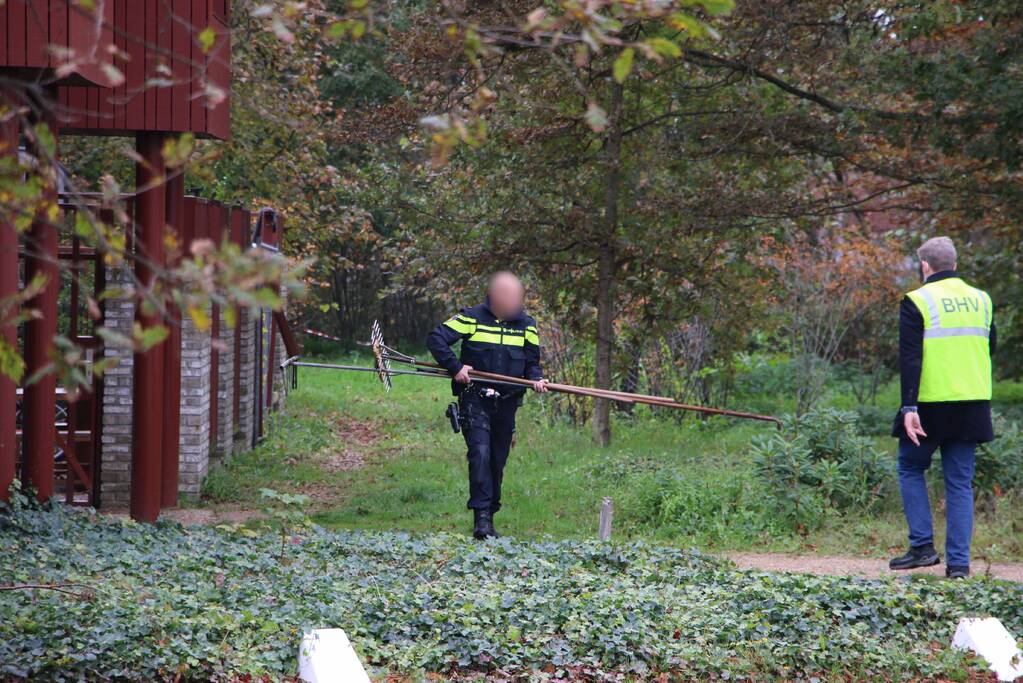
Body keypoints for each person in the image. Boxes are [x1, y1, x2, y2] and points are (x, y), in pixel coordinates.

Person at [889, 236, 995, 579]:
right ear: (955, 264)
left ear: (925, 266)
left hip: (930, 404)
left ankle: (922, 548)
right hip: (973, 402)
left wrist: (908, 406)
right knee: (959, 483)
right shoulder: (982, 300)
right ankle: (959, 566)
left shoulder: (918, 300)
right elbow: (988, 346)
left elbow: (910, 357)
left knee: (909, 468)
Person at [426, 272, 549, 539]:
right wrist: (455, 366)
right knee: (480, 453)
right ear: (493, 296)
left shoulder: (527, 325)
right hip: (475, 398)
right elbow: (436, 339)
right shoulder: (471, 318)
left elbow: (532, 363)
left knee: (496, 459)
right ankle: (481, 520)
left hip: (507, 403)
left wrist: (536, 380)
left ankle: (490, 514)